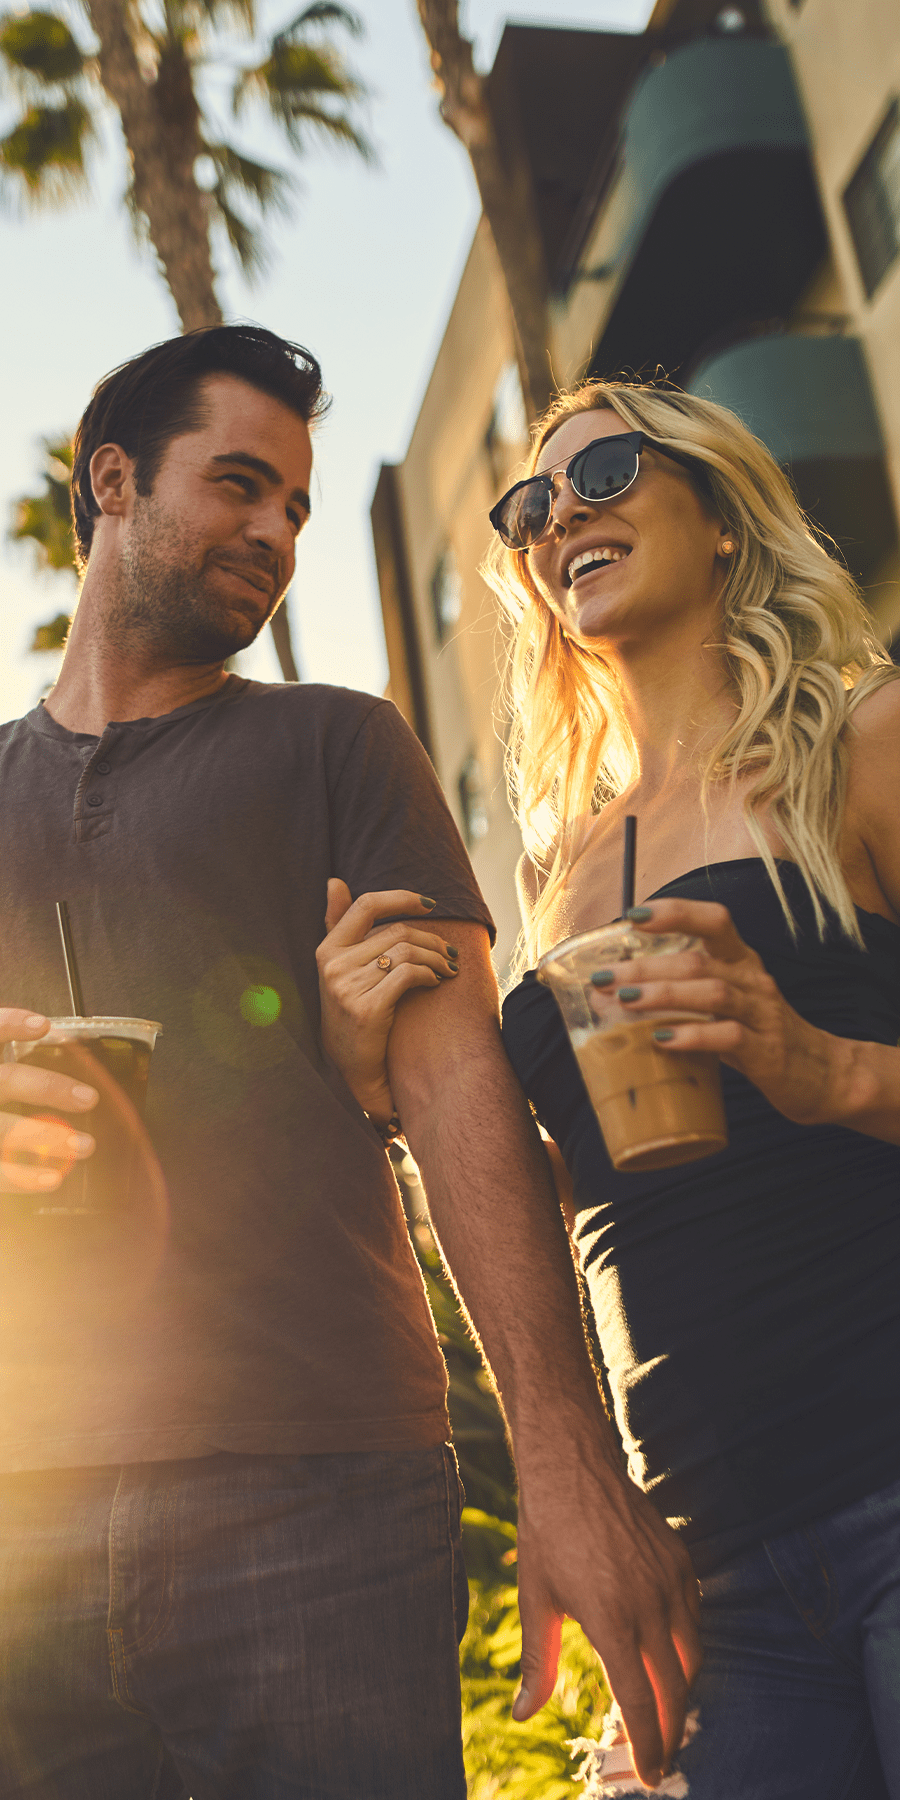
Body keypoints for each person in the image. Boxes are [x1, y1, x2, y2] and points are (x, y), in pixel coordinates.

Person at [0, 329, 700, 1800]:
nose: (277, 532)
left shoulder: (342, 750)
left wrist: (568, 1464)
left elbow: (462, 1103)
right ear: (111, 484)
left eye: (300, 508)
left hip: (311, 1504)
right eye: (242, 485)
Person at [320, 378, 900, 1798]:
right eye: (532, 504)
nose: (561, 511)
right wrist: (378, 1090)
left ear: (717, 513)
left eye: (609, 470)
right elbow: (571, 1199)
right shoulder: (561, 866)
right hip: (714, 1549)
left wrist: (814, 1064)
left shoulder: (864, 740)